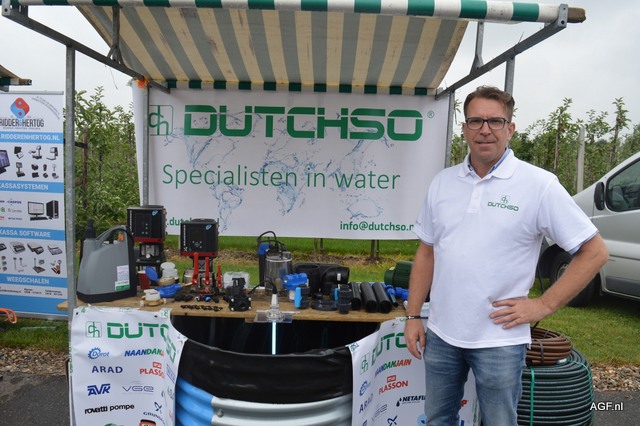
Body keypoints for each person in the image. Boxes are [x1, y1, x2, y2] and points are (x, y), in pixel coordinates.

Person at [403, 85, 608, 426]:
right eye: (476, 121)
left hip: (499, 339)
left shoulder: (538, 185)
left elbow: (594, 251)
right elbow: (427, 252)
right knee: (438, 419)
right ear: (464, 128)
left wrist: (543, 305)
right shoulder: (443, 183)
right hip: (441, 333)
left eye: (495, 121)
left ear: (510, 128)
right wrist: (413, 316)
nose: (485, 129)